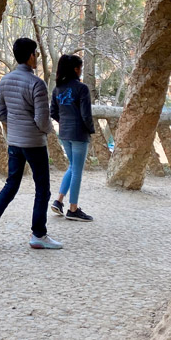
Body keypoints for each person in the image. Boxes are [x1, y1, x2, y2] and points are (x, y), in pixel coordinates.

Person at [0, 37, 63, 250]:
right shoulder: (37, 84)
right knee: (42, 188)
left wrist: (15, 125)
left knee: (11, 185)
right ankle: (38, 235)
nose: (38, 58)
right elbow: (42, 120)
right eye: (37, 54)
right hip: (34, 143)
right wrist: (48, 131)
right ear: (31, 55)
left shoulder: (5, 81)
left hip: (14, 142)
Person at [50, 54, 95, 222]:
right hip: (79, 134)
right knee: (77, 170)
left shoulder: (57, 89)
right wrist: (90, 130)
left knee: (72, 166)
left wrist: (65, 122)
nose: (81, 71)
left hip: (64, 133)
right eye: (80, 68)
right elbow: (86, 114)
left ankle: (59, 201)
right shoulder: (81, 88)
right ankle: (73, 209)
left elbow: (53, 112)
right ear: (76, 69)